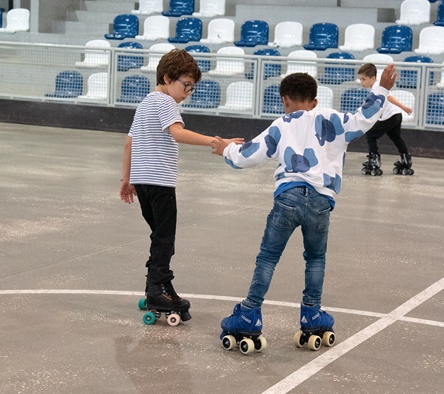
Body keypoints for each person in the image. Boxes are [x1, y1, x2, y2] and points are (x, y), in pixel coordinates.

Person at [211, 64, 398, 352]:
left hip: (288, 197)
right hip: (322, 201)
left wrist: (225, 148)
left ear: (284, 100)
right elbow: (364, 118)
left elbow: (251, 154)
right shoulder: (332, 118)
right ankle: (312, 313)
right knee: (315, 259)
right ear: (315, 101)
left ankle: (249, 314)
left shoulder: (282, 124)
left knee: (268, 258)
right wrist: (382, 88)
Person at [119, 49, 242, 323]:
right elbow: (177, 133)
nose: (187, 92)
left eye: (191, 87)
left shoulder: (144, 103)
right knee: (165, 238)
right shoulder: (165, 103)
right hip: (160, 183)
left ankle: (157, 286)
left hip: (143, 182)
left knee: (159, 236)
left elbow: (129, 143)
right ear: (167, 78)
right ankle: (157, 290)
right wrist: (216, 142)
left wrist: (126, 179)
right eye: (185, 85)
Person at [358, 63, 414, 176]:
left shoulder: (377, 88)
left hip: (390, 116)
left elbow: (389, 97)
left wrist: (403, 107)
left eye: (364, 79)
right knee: (396, 137)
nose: (362, 82)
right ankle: (406, 159)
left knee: (370, 134)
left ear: (373, 78)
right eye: (360, 79)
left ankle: (374, 160)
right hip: (397, 115)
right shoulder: (378, 87)